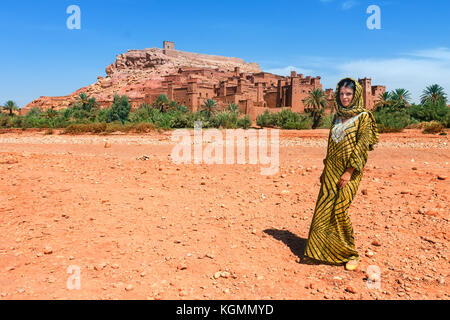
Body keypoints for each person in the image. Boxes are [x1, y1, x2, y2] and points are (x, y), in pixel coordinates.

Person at [303, 77, 379, 271]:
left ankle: (350, 253)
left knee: (339, 210)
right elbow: (331, 146)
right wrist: (324, 169)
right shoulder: (337, 117)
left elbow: (361, 147)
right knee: (323, 209)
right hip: (331, 170)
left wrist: (348, 171)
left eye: (349, 94)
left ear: (356, 95)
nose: (344, 98)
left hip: (349, 172)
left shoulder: (364, 117)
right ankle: (318, 252)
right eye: (342, 94)